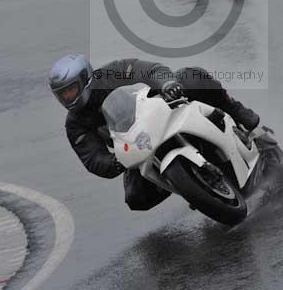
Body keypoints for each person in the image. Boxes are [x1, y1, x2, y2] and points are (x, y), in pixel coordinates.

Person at [48, 54, 259, 210]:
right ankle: (190, 187)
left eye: (71, 89)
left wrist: (166, 83)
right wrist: (115, 162)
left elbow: (147, 70)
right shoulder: (75, 124)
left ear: (85, 79)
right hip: (136, 148)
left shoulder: (111, 74)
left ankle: (236, 111)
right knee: (135, 198)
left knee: (193, 76)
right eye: (62, 94)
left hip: (162, 111)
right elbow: (93, 158)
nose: (67, 97)